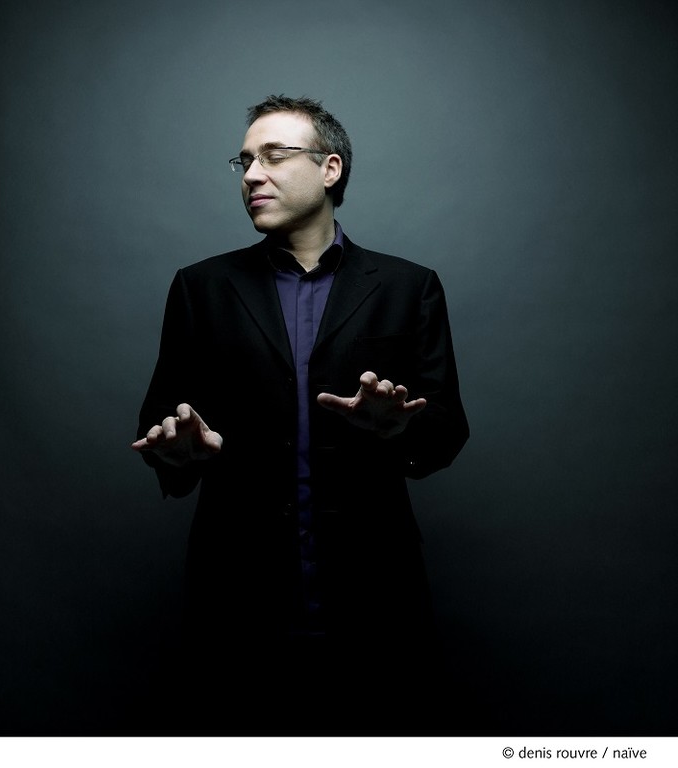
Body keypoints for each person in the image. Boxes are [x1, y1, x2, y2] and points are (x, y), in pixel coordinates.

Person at [132, 94, 469, 735]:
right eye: (245, 161)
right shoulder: (200, 288)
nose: (252, 175)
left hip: (375, 595)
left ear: (330, 168)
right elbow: (159, 424)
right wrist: (178, 453)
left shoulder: (409, 286)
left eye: (274, 156)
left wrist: (400, 428)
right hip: (237, 597)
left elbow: (447, 431)